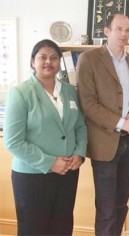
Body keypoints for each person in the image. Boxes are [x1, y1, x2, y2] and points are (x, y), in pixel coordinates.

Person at [3, 39, 87, 235]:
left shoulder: (70, 91)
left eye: (54, 58)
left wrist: (79, 154)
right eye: (42, 57)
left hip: (67, 172)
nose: (48, 62)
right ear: (33, 62)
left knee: (62, 227)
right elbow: (13, 141)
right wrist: (49, 162)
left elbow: (80, 127)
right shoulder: (20, 93)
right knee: (34, 229)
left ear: (59, 62)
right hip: (32, 176)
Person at [76, 14, 129, 235]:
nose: (124, 34)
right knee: (106, 209)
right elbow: (87, 103)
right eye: (119, 29)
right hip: (104, 145)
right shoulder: (89, 59)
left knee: (121, 205)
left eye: (128, 30)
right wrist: (123, 123)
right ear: (106, 31)